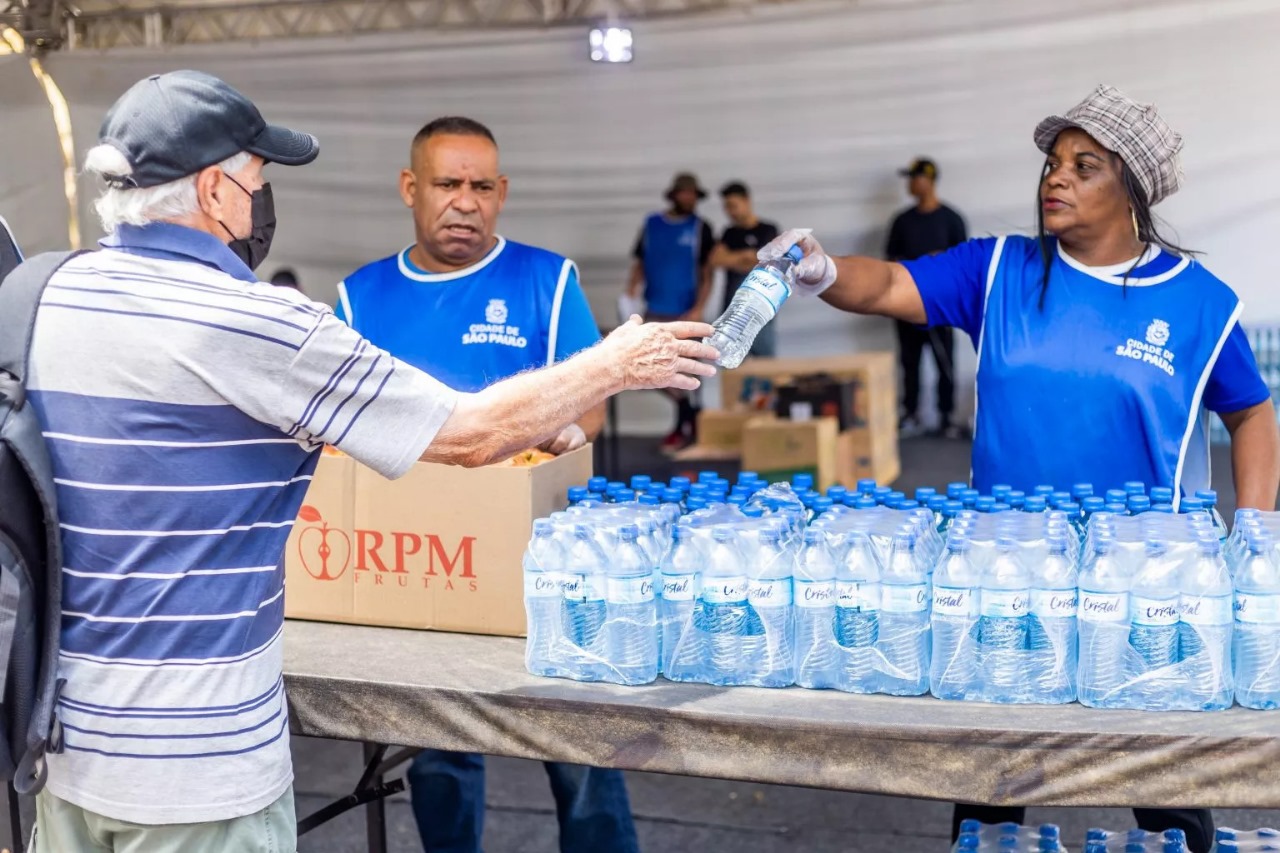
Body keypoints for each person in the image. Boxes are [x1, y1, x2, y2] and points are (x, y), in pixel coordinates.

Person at [21, 70, 717, 852]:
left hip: (61, 751)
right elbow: (470, 434)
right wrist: (620, 359)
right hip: (197, 768)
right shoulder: (261, 323)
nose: (261, 200)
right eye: (258, 180)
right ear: (216, 192)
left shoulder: (40, 296)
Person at [759, 84, 1280, 853]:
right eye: (1051, 162)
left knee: (1161, 794)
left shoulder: (1201, 304)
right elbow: (895, 285)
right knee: (991, 792)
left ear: (1132, 189)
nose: (1055, 178)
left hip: (1140, 586)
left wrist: (1254, 532)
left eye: (1084, 165)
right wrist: (824, 270)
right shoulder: (998, 270)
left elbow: (1252, 412)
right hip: (1006, 573)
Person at [337, 115, 627, 852]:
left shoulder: (546, 278)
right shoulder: (360, 297)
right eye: (447, 184)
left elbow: (589, 394)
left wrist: (568, 429)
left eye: (481, 186)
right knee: (440, 749)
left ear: (501, 194)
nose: (465, 201)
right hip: (425, 564)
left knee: (580, 745)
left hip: (547, 559)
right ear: (410, 188)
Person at [626, 172, 716, 451]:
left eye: (693, 194)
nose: (689, 198)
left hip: (685, 312)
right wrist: (629, 293)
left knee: (686, 373)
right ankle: (692, 418)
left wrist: (699, 307)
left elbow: (706, 273)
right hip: (655, 308)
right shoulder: (652, 225)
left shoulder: (702, 228)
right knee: (651, 368)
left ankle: (683, 429)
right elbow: (640, 264)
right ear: (674, 195)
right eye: (684, 193)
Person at [886, 158, 968, 438]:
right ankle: (911, 414)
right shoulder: (902, 221)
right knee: (909, 362)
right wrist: (922, 262)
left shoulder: (951, 220)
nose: (909, 184)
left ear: (928, 180)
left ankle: (946, 417)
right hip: (906, 306)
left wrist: (939, 263)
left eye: (913, 178)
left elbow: (964, 264)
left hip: (942, 307)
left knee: (944, 360)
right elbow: (890, 262)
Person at [708, 181, 780, 357]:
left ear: (747, 201)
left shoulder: (768, 230)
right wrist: (747, 256)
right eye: (726, 207)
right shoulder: (729, 233)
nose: (730, 211)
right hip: (732, 312)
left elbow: (773, 261)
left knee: (765, 366)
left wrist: (735, 259)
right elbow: (716, 259)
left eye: (733, 205)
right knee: (730, 362)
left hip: (760, 310)